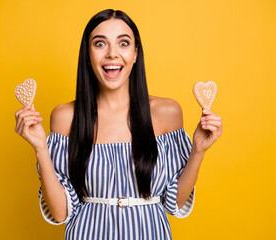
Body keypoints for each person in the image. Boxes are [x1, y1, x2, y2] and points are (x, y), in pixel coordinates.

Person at [14, 9, 222, 240]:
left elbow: (175, 202)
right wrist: (41, 149)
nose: (112, 54)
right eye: (100, 44)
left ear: (135, 53)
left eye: (123, 43)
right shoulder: (66, 117)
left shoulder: (167, 113)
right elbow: (60, 212)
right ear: (87, 54)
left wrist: (198, 151)